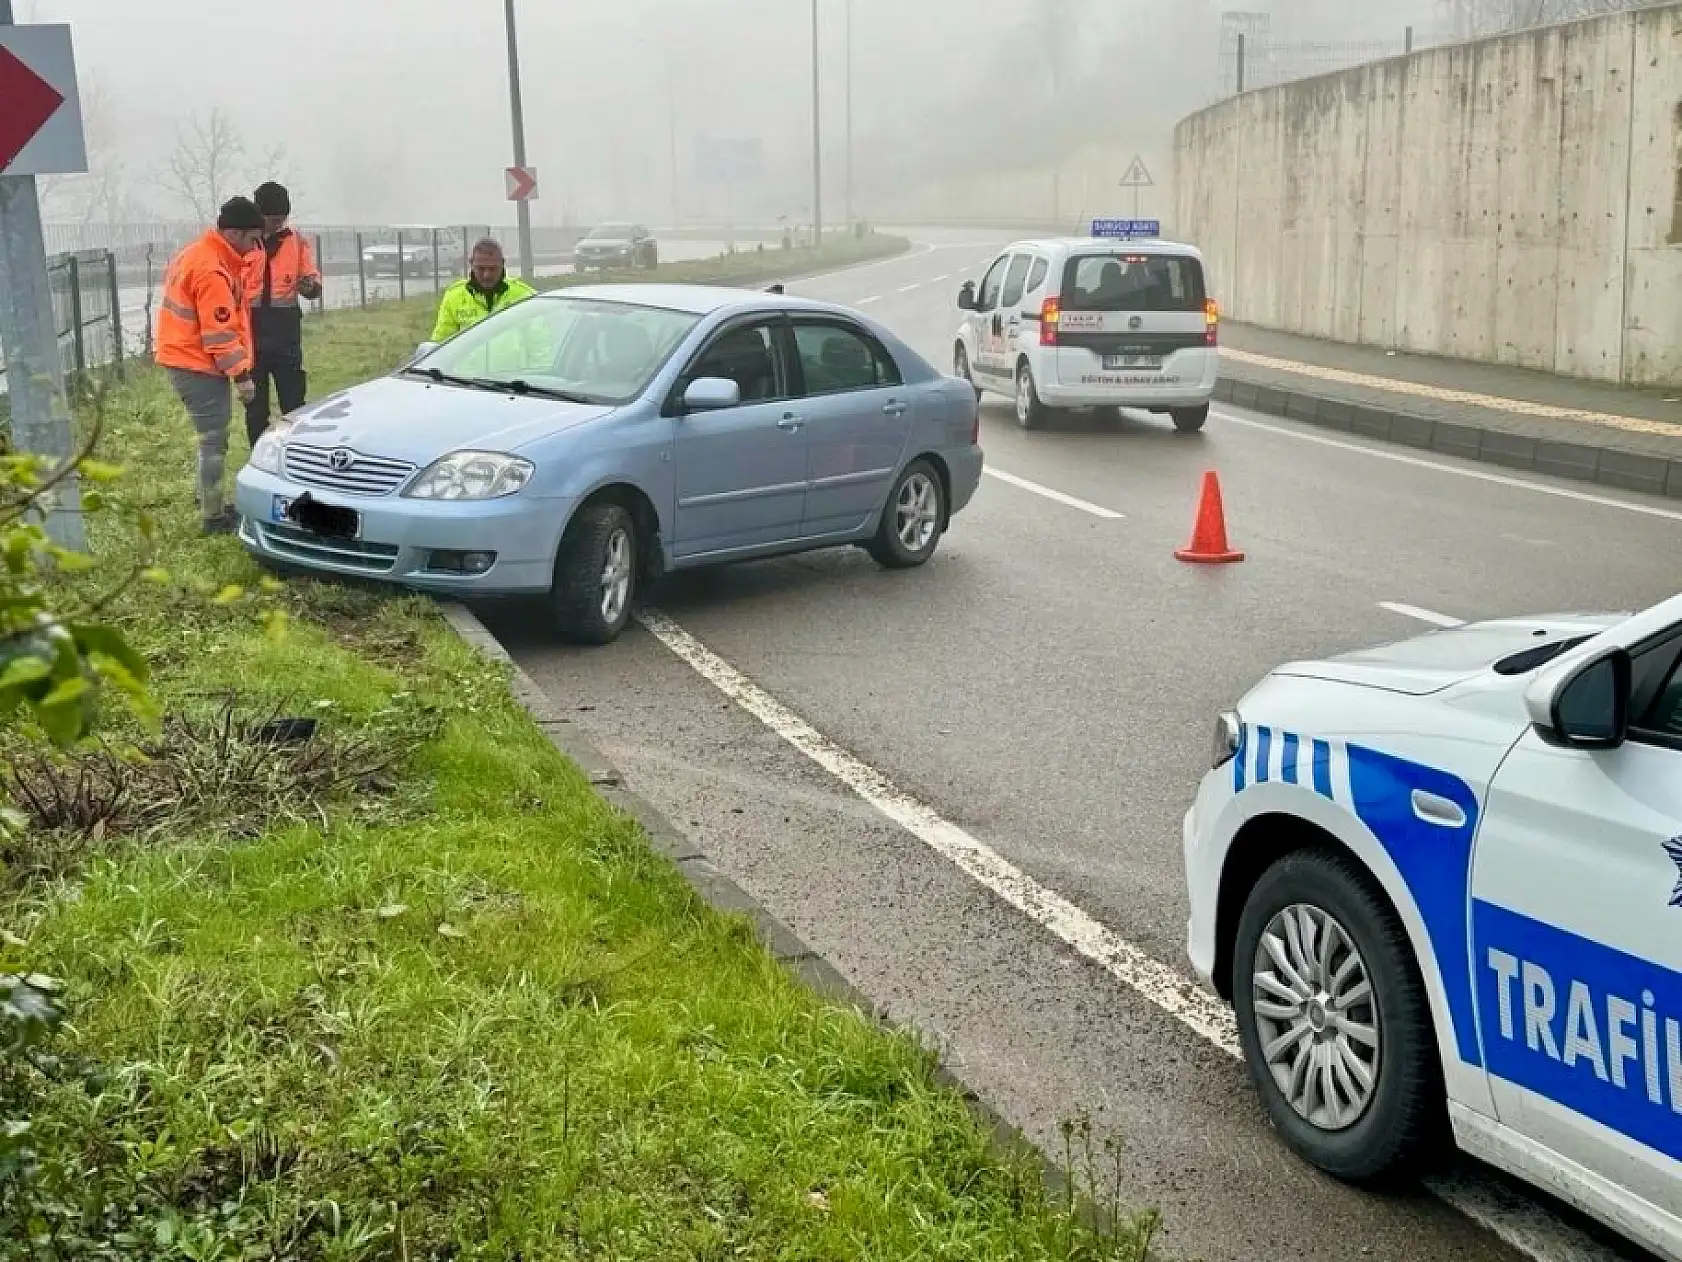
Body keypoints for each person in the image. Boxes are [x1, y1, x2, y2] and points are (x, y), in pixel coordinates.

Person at [156, 196, 265, 535]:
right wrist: (243, 378)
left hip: (183, 356)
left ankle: (208, 499)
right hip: (197, 364)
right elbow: (219, 337)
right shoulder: (213, 270)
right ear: (233, 234)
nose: (255, 247)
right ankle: (214, 516)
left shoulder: (197, 252)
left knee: (209, 440)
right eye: (252, 239)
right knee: (214, 441)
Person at [244, 181, 322, 448]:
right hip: (251, 333)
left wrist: (310, 287)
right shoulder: (243, 243)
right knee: (256, 408)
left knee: (294, 405)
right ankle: (258, 456)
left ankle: (295, 455)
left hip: (285, 334)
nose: (278, 224)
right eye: (272, 219)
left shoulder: (297, 242)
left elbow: (313, 281)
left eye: (282, 219)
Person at [430, 238, 536, 343]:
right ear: (471, 263)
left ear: (502, 263)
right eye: (481, 268)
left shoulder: (525, 296)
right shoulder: (453, 297)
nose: (487, 275)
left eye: (492, 268)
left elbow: (539, 344)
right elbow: (441, 344)